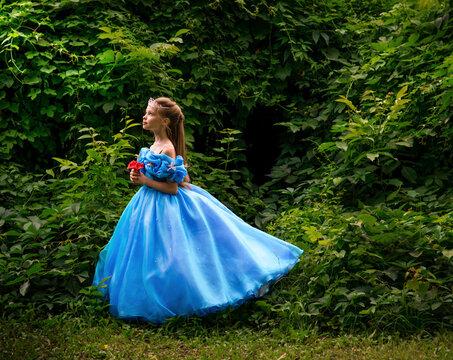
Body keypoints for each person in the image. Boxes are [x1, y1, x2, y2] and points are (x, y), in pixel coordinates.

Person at [92, 97, 303, 324]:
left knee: (174, 256)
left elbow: (172, 188)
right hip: (145, 205)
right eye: (146, 113)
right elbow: (151, 177)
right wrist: (138, 176)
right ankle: (140, 297)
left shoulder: (168, 149)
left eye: (150, 114)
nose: (145, 117)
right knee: (143, 252)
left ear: (164, 122)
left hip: (164, 206)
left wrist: (144, 181)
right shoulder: (152, 146)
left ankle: (180, 300)